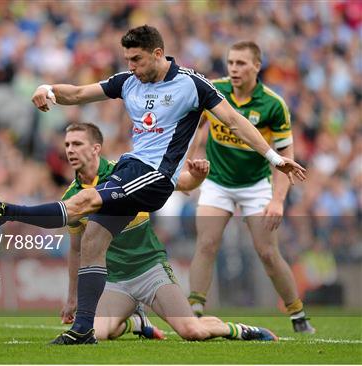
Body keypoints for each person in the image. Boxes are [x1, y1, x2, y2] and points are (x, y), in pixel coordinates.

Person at [0, 25, 305, 345]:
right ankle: (83, 330)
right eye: (127, 59)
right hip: (131, 167)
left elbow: (233, 119)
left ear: (158, 53)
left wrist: (274, 159)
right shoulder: (128, 81)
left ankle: (5, 212)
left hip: (157, 176)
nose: (130, 67)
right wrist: (48, 89)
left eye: (137, 60)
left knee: (86, 203)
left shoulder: (192, 84)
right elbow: (76, 93)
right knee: (92, 239)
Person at [59, 122, 278, 343]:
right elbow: (77, 250)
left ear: (96, 148)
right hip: (114, 281)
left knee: (193, 331)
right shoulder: (71, 197)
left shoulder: (125, 172)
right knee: (94, 333)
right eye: (67, 144)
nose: (70, 150)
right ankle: (135, 322)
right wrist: (72, 298)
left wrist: (197, 177)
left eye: (77, 144)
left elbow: (183, 183)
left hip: (149, 271)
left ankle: (238, 329)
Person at [187, 41, 315, 334]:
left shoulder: (273, 105)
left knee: (267, 252)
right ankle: (194, 312)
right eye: (231, 62)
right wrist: (193, 158)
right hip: (218, 182)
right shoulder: (214, 90)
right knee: (206, 244)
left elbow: (286, 159)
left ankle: (298, 314)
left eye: (241, 63)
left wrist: (278, 201)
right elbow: (200, 126)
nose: (233, 68)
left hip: (256, 185)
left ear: (257, 66)